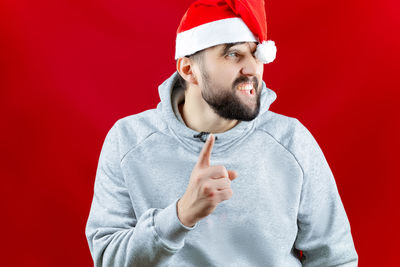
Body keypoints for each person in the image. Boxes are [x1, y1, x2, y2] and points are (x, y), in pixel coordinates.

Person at [85, 0, 358, 266]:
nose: (252, 69)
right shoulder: (128, 141)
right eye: (233, 54)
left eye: (255, 54)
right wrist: (181, 216)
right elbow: (108, 259)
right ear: (188, 70)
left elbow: (336, 258)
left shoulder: (292, 141)